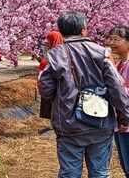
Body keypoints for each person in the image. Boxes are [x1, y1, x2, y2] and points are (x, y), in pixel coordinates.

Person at [38, 11, 129, 178]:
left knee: (69, 173)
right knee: (100, 173)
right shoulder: (102, 52)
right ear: (83, 30)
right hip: (100, 121)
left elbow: (45, 89)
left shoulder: (54, 55)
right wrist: (124, 118)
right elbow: (117, 88)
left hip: (68, 124)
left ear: (62, 31)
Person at [108, 26, 129, 177]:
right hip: (119, 121)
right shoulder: (119, 64)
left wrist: (117, 88)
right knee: (125, 164)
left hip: (127, 121)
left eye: (116, 39)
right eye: (110, 39)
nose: (111, 43)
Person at [37, 31, 63, 121]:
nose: (47, 42)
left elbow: (48, 67)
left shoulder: (54, 53)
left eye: (49, 39)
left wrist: (43, 61)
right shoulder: (64, 51)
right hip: (62, 87)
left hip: (52, 86)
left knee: (53, 108)